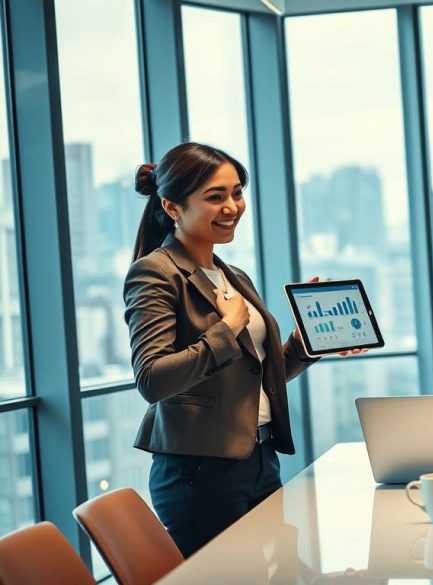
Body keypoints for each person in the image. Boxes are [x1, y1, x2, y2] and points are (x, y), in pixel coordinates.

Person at [123, 142, 363, 556]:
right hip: (199, 470)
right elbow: (152, 379)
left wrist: (308, 341)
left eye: (236, 192)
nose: (232, 206)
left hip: (259, 456)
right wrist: (227, 327)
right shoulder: (155, 273)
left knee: (278, 571)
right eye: (215, 196)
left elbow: (257, 373)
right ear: (173, 206)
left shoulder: (232, 275)